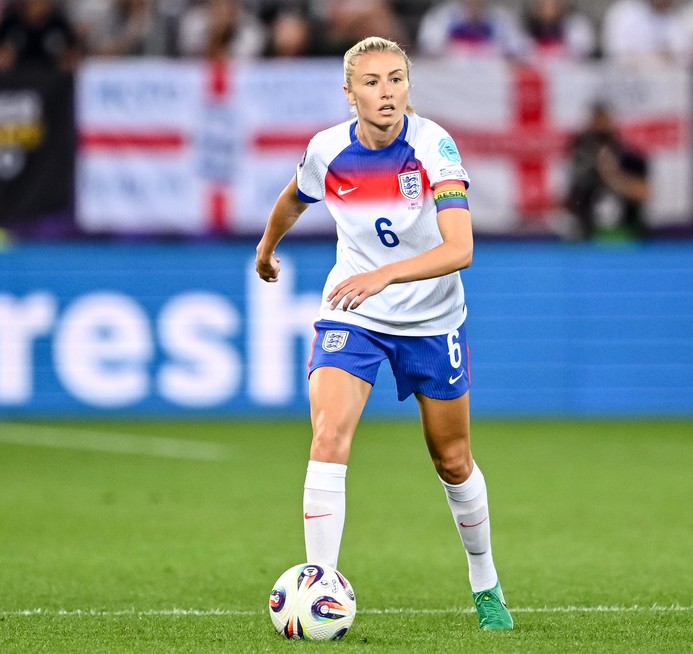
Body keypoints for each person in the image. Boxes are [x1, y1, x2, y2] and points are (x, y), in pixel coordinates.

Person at [254, 36, 513, 631]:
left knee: (453, 459)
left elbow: (461, 248)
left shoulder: (433, 147)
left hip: (431, 319)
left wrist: (385, 275)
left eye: (396, 79)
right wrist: (267, 248)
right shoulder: (327, 150)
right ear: (350, 94)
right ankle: (320, 586)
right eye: (372, 82)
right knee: (328, 434)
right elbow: (294, 199)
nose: (387, 91)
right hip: (354, 313)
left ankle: (485, 582)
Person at [564, 103, 650, 241]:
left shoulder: (631, 159)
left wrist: (611, 176)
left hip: (626, 236)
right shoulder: (583, 163)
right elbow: (573, 199)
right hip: (590, 238)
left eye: (603, 136)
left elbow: (644, 194)